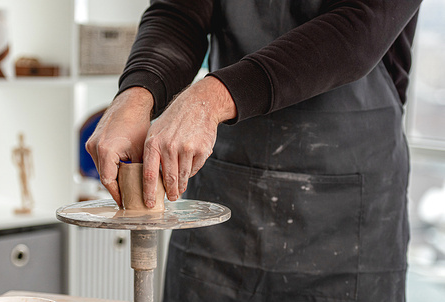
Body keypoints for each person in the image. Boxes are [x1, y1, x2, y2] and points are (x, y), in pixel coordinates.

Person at [86, 1, 422, 301]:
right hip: (229, 191)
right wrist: (136, 93)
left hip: (350, 212)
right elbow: (179, 13)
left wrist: (212, 99)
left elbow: (359, 30)